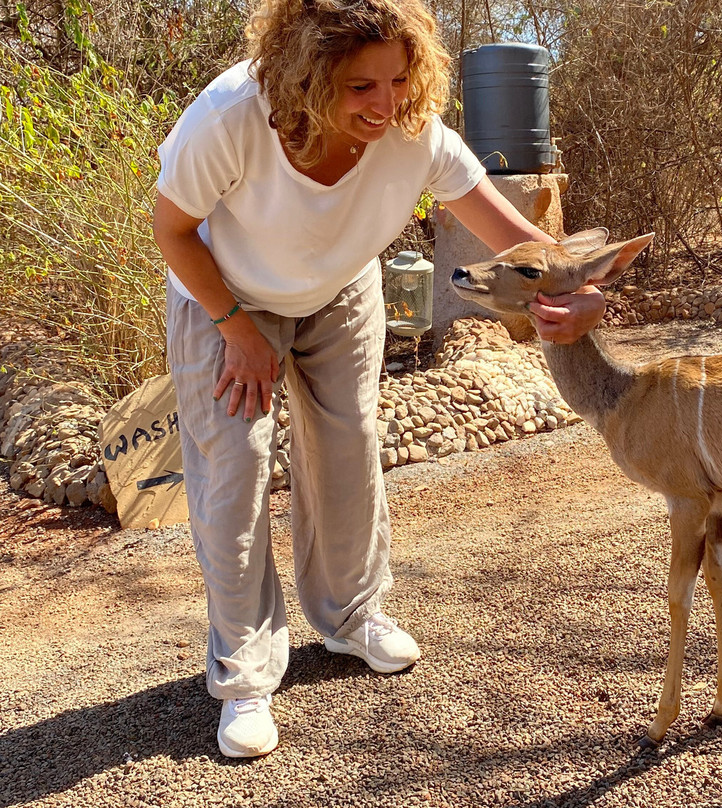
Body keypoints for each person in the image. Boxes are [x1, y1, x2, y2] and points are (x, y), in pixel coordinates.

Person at [152, 0, 605, 758]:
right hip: (225, 293)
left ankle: (351, 614)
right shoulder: (231, 115)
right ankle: (245, 674)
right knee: (234, 471)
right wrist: (236, 326)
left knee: (349, 449)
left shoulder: (413, 132)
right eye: (360, 86)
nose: (386, 103)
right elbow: (171, 228)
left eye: (398, 79)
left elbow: (514, 234)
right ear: (305, 73)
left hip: (338, 289)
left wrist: (580, 288)